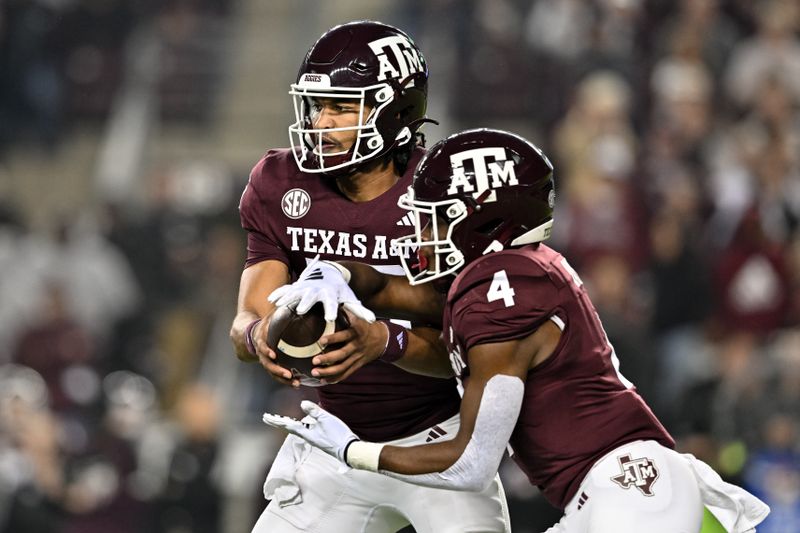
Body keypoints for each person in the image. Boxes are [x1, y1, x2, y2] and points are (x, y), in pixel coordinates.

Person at [263, 128, 771, 532]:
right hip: (608, 494)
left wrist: (354, 452)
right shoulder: (508, 273)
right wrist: (335, 272)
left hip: (627, 487)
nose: (420, 235)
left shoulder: (501, 288)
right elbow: (395, 292)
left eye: (435, 220)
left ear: (482, 219)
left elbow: (471, 464)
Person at [230, 22, 511, 533]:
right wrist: (260, 337)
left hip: (438, 440)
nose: (320, 123)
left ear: (396, 116)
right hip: (335, 438)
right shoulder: (280, 184)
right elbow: (247, 319)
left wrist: (383, 341)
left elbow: (477, 354)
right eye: (317, 107)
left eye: (341, 107)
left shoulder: (442, 197)